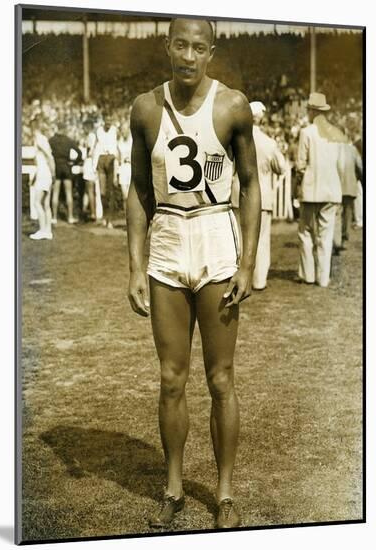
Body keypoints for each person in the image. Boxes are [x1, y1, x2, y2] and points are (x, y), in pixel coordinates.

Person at [126, 18, 261, 530]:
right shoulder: (144, 107)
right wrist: (135, 265)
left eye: (198, 47)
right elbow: (139, 190)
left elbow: (250, 184)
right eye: (179, 44)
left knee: (221, 378)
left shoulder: (231, 106)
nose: (188, 55)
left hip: (214, 239)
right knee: (170, 379)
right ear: (167, 46)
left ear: (211, 52)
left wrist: (246, 263)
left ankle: (224, 493)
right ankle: (174, 487)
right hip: (167, 239)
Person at [296, 92, 344, 287]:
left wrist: (300, 178)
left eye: (308, 109)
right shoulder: (336, 133)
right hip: (332, 189)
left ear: (313, 111)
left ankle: (308, 275)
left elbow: (300, 163)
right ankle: (323, 278)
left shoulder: (306, 133)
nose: (307, 112)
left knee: (306, 233)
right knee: (326, 234)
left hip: (311, 190)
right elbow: (340, 164)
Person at [250, 101, 286, 290]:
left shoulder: (237, 139)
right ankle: (259, 280)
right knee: (262, 239)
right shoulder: (268, 142)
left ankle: (241, 278)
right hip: (262, 195)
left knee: (240, 238)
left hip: (240, 195)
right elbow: (281, 168)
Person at [333, 135, 363, 252]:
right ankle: (344, 237)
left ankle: (336, 240)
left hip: (336, 186)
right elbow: (360, 167)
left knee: (336, 213)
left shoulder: (333, 149)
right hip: (350, 186)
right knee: (347, 213)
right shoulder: (353, 150)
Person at [49, 122, 82, 224]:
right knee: (68, 193)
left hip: (56, 166)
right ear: (64, 129)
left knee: (55, 193)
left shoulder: (51, 140)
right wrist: (73, 163)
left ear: (57, 128)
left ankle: (54, 217)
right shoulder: (68, 140)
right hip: (66, 167)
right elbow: (79, 153)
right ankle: (70, 217)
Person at [29, 117, 55, 240]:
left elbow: (50, 157)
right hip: (44, 173)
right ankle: (47, 231)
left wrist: (53, 173)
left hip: (44, 174)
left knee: (37, 202)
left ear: (34, 128)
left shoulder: (39, 139)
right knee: (45, 203)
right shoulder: (42, 139)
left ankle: (43, 230)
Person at [93, 113, 119, 228]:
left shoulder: (114, 130)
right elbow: (95, 147)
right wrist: (94, 164)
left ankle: (110, 219)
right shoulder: (98, 131)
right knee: (102, 192)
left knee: (111, 191)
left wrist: (117, 160)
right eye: (106, 120)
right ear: (103, 120)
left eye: (110, 120)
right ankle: (104, 216)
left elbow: (117, 146)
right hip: (101, 159)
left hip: (112, 159)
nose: (108, 123)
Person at [117, 122, 133, 213]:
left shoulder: (133, 141)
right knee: (124, 196)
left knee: (131, 196)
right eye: (122, 130)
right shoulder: (119, 143)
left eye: (125, 129)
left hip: (132, 168)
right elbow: (118, 159)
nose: (123, 132)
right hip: (123, 169)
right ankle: (126, 218)